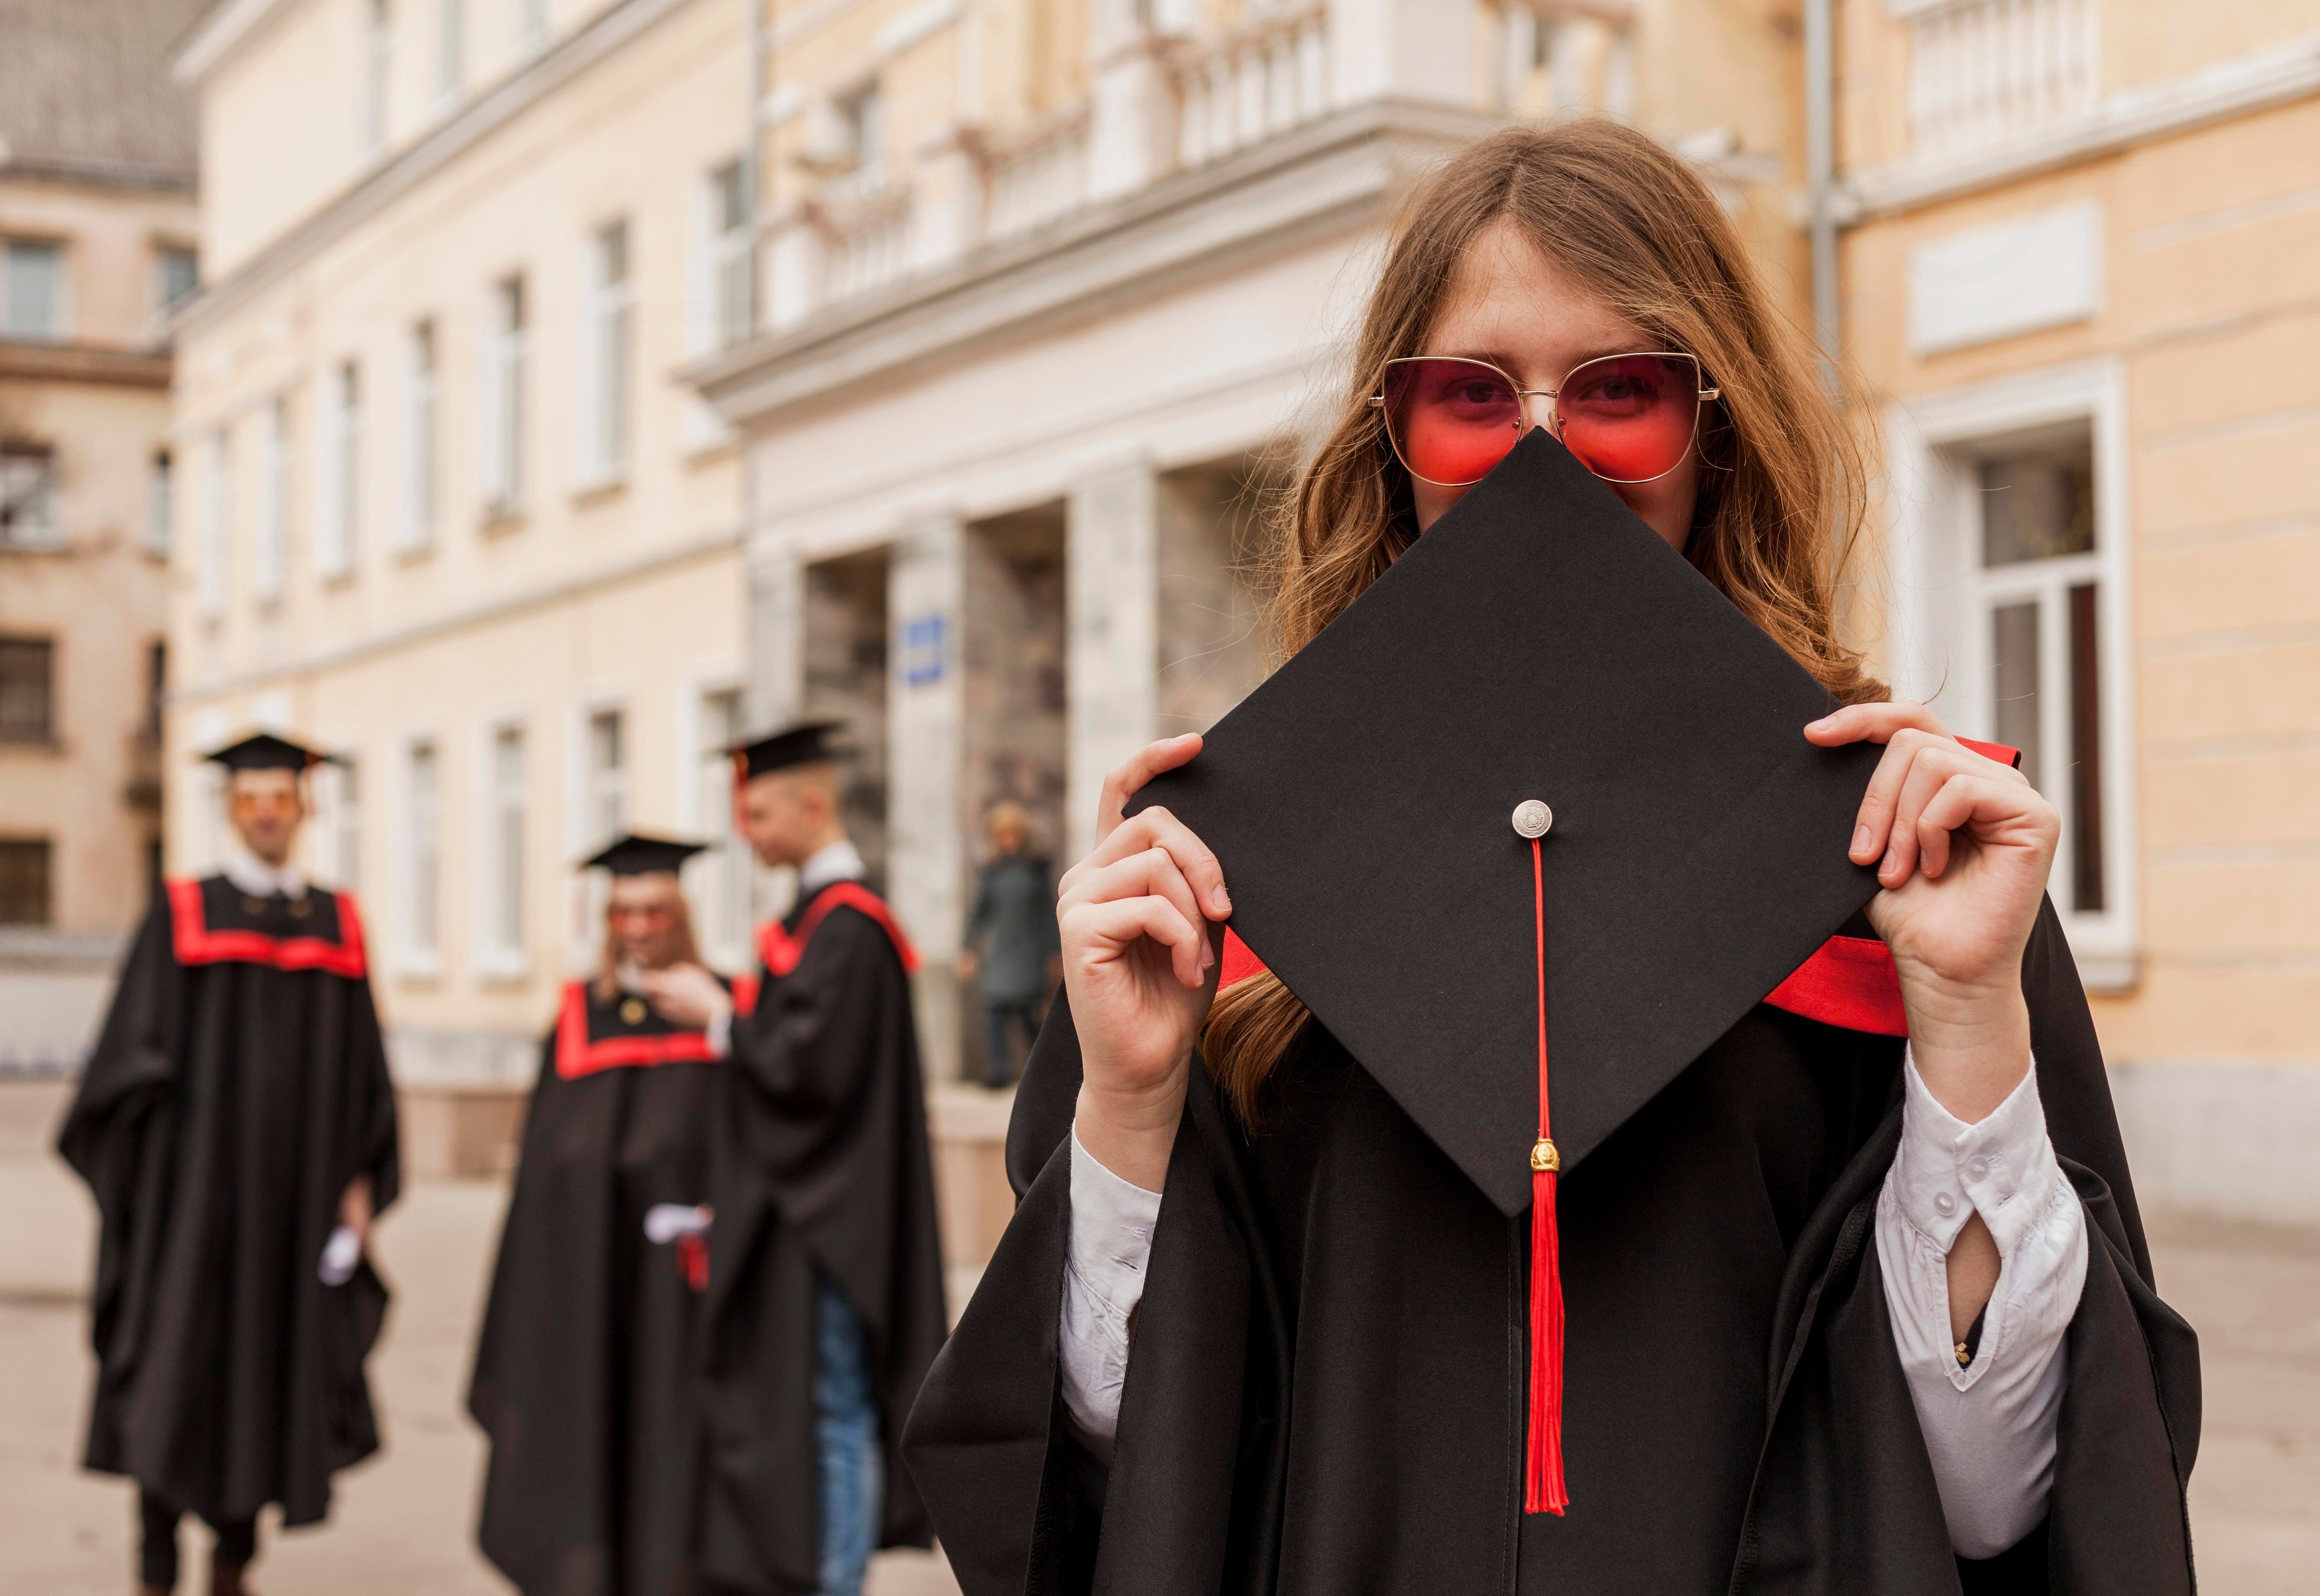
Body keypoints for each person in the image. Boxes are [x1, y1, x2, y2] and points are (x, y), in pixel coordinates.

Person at [904, 123, 2197, 1594]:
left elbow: (1994, 1504)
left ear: (1714, 428)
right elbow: (1105, 1495)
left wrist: (1961, 1022)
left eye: (1618, 391)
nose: (1542, 452)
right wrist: (1132, 1113)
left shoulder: (1902, 866)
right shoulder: (1231, 886)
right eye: (1470, 396)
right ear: (1390, 442)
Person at [60, 732, 400, 1596]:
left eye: (281, 798)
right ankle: (155, 1562)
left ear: (305, 806)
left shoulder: (337, 926)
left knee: (268, 1381)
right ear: (230, 808)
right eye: (252, 799)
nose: (267, 813)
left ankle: (234, 1563)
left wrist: (359, 1184)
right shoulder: (184, 913)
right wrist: (152, 1169)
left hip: (292, 1214)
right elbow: (123, 1063)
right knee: (170, 1374)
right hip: (187, 1212)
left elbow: (365, 1077)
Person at [645, 721, 947, 1596]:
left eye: (761, 813)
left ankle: (835, 1583)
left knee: (834, 1407)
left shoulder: (849, 927)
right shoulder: (817, 923)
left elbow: (808, 1069)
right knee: (819, 1404)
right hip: (814, 1207)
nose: (747, 832)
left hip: (833, 1219)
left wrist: (717, 1016)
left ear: (813, 806)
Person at [469, 834, 754, 1596]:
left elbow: (751, 1141)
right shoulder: (577, 1017)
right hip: (589, 1277)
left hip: (688, 1285)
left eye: (654, 910)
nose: (638, 927)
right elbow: (545, 1162)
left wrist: (712, 1211)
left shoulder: (725, 1009)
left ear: (680, 917)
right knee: (592, 1428)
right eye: (624, 912)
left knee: (674, 1439)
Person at [957, 801, 1060, 1090]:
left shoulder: (1035, 872)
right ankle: (997, 1071)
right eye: (1002, 835)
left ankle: (1043, 1068)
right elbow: (979, 915)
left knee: (1028, 1013)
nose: (1007, 841)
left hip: (1029, 951)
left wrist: (1055, 953)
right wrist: (968, 949)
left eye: (1012, 834)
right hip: (1001, 952)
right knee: (994, 1009)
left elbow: (1047, 914)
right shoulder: (992, 873)